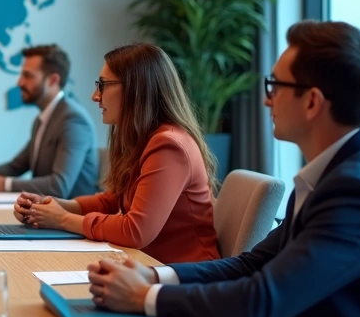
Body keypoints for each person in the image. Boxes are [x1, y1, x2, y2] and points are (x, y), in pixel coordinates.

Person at [87, 21, 360, 317]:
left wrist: (143, 297)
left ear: (312, 102)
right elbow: (251, 264)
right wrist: (153, 275)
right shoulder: (336, 174)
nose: (266, 99)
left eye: (275, 85)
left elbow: (261, 302)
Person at [14, 43, 220, 264]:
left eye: (103, 85)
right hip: (146, 265)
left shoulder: (169, 146)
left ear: (136, 89)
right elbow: (112, 201)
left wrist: (63, 219)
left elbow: (135, 231)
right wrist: (52, 205)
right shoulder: (145, 138)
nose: (95, 96)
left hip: (183, 274)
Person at [0, 44, 98, 197]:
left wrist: (2, 184)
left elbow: (59, 186)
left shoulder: (73, 120)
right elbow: (16, 167)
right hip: (44, 209)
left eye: (28, 76)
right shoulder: (42, 120)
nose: (19, 82)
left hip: (69, 211)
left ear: (53, 80)